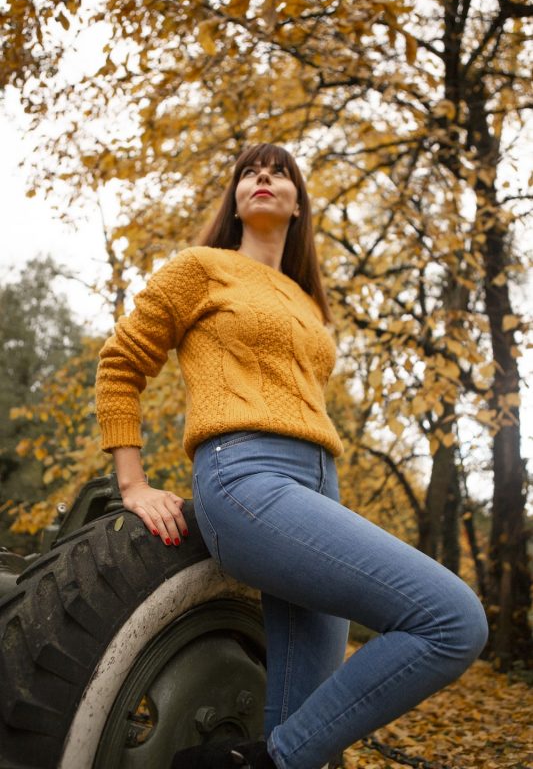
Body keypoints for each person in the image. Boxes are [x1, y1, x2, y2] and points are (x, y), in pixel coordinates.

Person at [95, 143, 488, 769]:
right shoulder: (202, 268)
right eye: (250, 171)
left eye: (279, 173)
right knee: (453, 619)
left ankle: (272, 758)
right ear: (235, 197)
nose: (263, 178)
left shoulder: (309, 304)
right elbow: (120, 364)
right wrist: (133, 483)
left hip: (316, 490)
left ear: (298, 203)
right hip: (246, 478)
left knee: (313, 732)